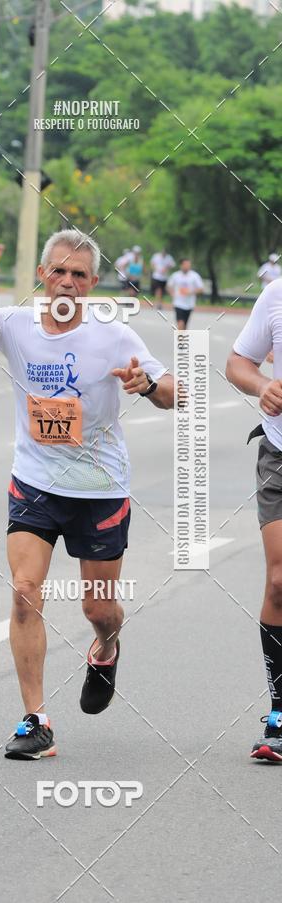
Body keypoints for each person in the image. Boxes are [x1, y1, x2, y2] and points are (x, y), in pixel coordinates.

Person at [0, 229, 174, 759]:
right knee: (23, 590)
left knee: (98, 609)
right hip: (35, 483)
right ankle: (34, 720)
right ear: (42, 275)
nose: (67, 282)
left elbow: (176, 391)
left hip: (101, 488)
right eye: (58, 271)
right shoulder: (15, 324)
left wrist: (146, 386)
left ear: (93, 284)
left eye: (78, 275)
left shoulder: (115, 336)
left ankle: (105, 648)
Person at [226, 279, 282, 760]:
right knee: (281, 581)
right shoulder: (277, 293)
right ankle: (280, 714)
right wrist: (264, 386)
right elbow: (238, 363)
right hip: (279, 456)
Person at [167, 258, 204, 329]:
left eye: (189, 265)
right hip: (178, 303)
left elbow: (201, 289)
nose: (187, 266)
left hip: (189, 304)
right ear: (181, 265)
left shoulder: (195, 276)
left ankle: (182, 339)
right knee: (180, 324)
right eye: (185, 264)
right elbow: (169, 286)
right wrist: (172, 293)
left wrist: (191, 292)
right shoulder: (176, 275)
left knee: (184, 326)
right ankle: (180, 339)